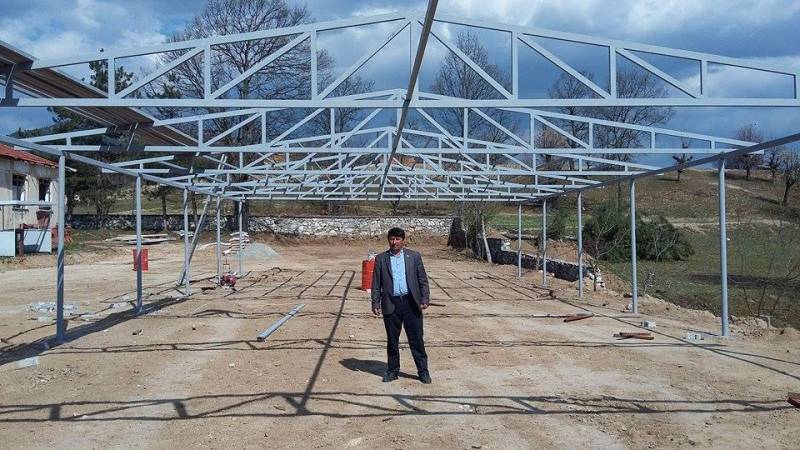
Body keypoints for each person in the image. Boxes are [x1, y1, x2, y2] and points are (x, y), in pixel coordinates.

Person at [371, 227, 432, 384]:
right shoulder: (381, 258)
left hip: (411, 303)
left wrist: (425, 298)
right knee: (392, 340)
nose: (394, 242)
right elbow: (376, 283)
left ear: (403, 240)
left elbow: (422, 279)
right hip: (391, 304)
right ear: (388, 240)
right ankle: (392, 371)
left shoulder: (414, 256)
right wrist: (375, 302)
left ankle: (423, 371)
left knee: (416, 339)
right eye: (392, 239)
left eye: (398, 239)